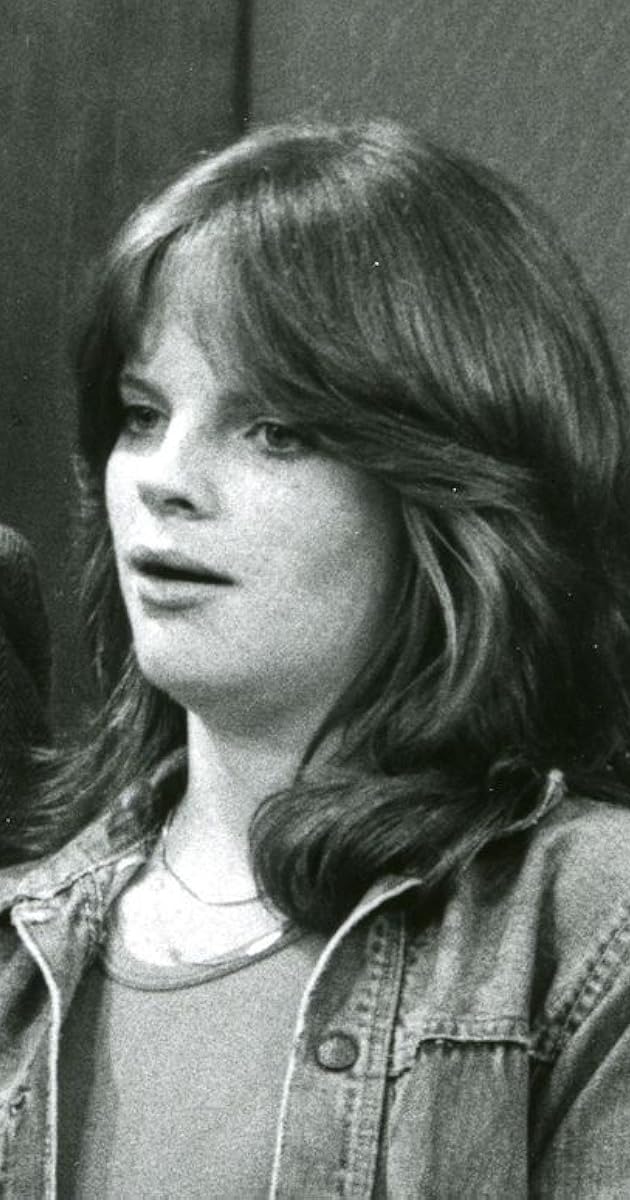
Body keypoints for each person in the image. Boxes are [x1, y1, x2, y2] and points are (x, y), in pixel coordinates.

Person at [2, 119, 630, 1198]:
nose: (164, 478)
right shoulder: (20, 932)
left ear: (450, 491)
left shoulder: (590, 927)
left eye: (276, 432)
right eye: (143, 415)